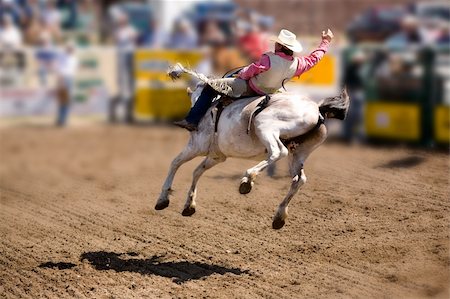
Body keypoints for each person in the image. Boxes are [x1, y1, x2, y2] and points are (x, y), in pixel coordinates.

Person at [174, 28, 334, 131]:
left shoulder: (268, 58)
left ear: (279, 46)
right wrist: (325, 42)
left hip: (250, 87)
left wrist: (241, 74)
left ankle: (192, 120)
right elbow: (315, 58)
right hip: (272, 93)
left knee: (211, 86)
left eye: (277, 43)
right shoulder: (299, 63)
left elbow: (252, 70)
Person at [55, 40, 78, 126]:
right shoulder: (62, 56)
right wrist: (60, 79)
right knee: (63, 100)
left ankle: (63, 119)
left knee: (67, 101)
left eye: (71, 48)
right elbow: (59, 68)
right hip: (63, 78)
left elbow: (72, 71)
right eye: (69, 48)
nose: (70, 49)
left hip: (69, 78)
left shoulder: (74, 58)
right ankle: (61, 119)